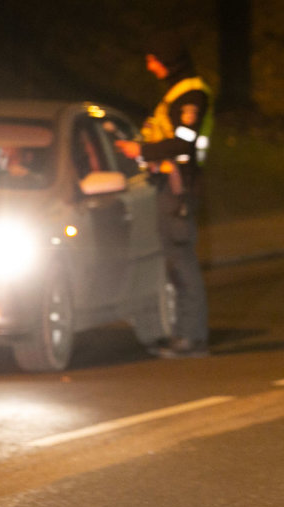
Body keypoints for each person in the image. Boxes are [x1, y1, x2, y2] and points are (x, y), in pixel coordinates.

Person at [116, 30, 213, 358]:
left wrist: (141, 150)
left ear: (167, 61)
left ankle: (191, 337)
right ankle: (187, 335)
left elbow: (184, 141)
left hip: (180, 188)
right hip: (171, 186)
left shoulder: (191, 96)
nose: (149, 65)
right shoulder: (176, 95)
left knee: (180, 262)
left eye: (153, 59)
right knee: (176, 262)